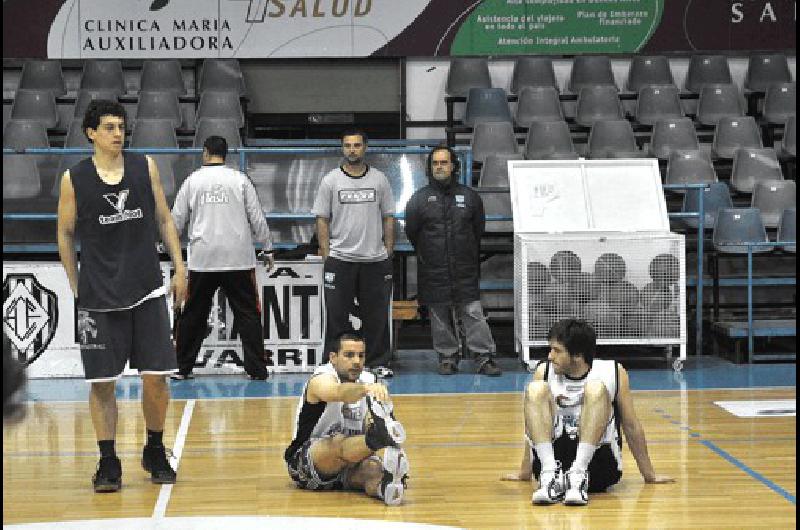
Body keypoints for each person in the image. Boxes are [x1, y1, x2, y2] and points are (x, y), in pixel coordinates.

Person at [56, 99, 188, 493]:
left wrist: (180, 267)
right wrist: (75, 282)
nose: (118, 133)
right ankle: (108, 459)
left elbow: (164, 218)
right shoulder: (74, 178)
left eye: (121, 126)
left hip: (146, 290)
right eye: (109, 127)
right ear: (91, 133)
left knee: (156, 380)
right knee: (101, 384)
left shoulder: (143, 166)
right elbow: (64, 233)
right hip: (98, 297)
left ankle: (154, 447)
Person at [502, 319, 674, 506]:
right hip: (554, 463)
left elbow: (631, 426)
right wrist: (525, 472)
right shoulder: (544, 371)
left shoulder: (613, 372)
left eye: (557, 350)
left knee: (595, 389)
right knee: (535, 390)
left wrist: (649, 474)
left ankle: (578, 474)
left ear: (577, 355)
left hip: (599, 466)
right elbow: (533, 427)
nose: (550, 356)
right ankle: (550, 476)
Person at [170, 135, 273, 381]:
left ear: (205, 152)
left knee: (193, 315)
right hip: (238, 259)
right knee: (248, 314)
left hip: (202, 260)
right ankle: (257, 370)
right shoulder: (240, 180)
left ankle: (182, 367)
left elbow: (175, 220)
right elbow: (257, 217)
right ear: (226, 154)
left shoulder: (193, 181)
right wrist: (267, 247)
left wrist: (172, 255)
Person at [404, 145, 502, 376]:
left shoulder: (470, 197)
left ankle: (483, 357)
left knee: (473, 313)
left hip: (465, 269)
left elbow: (478, 230)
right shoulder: (418, 200)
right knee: (439, 316)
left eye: (444, 162)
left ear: (453, 166)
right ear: (430, 168)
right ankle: (448, 357)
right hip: (433, 269)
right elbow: (412, 232)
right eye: (435, 163)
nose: (439, 167)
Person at [284, 332, 410, 505]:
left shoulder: (369, 379)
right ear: (333, 357)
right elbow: (338, 392)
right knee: (337, 442)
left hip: (349, 464)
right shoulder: (321, 378)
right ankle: (377, 439)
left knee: (372, 470)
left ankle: (385, 488)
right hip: (309, 464)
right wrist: (366, 390)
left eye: (361, 355)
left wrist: (377, 421)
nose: (357, 361)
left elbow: (368, 421)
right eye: (349, 355)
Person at [312, 130, 396, 377]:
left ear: (365, 147)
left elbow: (388, 217)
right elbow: (322, 219)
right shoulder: (330, 181)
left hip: (375, 261)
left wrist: (387, 251)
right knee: (337, 317)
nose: (352, 150)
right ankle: (333, 366)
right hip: (340, 261)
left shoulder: (380, 180)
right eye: (348, 145)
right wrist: (328, 254)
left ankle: (378, 362)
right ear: (342, 148)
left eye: (357, 145)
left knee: (377, 317)